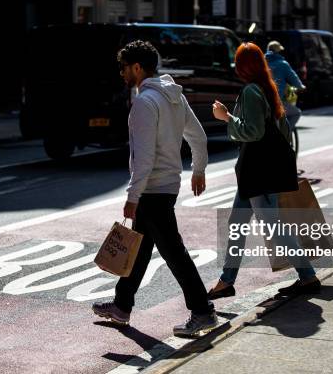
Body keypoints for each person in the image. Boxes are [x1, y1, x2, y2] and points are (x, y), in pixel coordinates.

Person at [92, 40, 217, 337]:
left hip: (152, 189)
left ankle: (202, 311)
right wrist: (198, 169)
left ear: (137, 67)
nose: (122, 74)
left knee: (174, 252)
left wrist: (132, 196)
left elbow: (144, 158)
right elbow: (198, 136)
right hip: (167, 185)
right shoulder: (174, 96)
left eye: (124, 68)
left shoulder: (144, 103)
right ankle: (122, 306)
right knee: (139, 249)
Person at [208, 42, 319, 300]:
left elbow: (253, 131)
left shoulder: (250, 91)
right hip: (256, 170)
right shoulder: (267, 88)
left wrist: (226, 117)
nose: (235, 66)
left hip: (257, 171)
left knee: (274, 227)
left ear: (245, 66)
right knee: (237, 224)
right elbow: (283, 129)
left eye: (238, 61)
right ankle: (227, 280)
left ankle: (308, 275)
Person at [265, 41, 305, 129]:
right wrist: (301, 87)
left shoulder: (262, 63)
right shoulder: (282, 64)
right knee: (296, 113)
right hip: (277, 100)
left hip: (261, 100)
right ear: (278, 51)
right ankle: (285, 134)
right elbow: (293, 78)